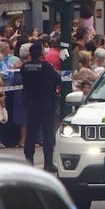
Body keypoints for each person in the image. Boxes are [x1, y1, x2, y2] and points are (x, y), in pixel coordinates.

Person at [21, 43, 61, 172]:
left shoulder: (24, 67)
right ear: (41, 53)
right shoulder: (46, 66)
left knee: (31, 134)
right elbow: (57, 79)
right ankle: (48, 163)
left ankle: (28, 162)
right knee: (47, 134)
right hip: (46, 103)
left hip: (31, 103)